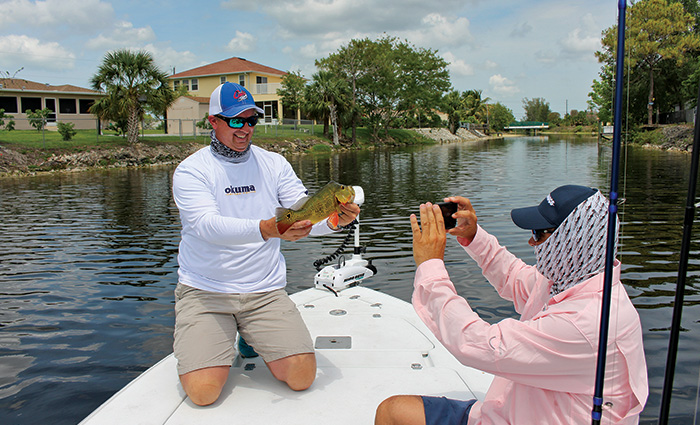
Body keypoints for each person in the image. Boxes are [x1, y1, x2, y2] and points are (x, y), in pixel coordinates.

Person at [375, 185, 648, 424]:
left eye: (540, 233)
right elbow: (515, 279)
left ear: (573, 242)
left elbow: (477, 344)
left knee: (392, 414)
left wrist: (430, 266)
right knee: (394, 411)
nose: (531, 241)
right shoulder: (576, 278)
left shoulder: (585, 322)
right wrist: (473, 236)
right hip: (511, 413)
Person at [172, 82, 360, 406]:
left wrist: (332, 221)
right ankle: (226, 333)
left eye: (251, 120)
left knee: (302, 377)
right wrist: (267, 228)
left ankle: (249, 333)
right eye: (235, 121)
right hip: (206, 292)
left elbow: (301, 214)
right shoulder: (192, 171)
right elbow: (207, 226)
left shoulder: (274, 163)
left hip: (264, 291)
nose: (245, 129)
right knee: (203, 393)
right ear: (213, 121)